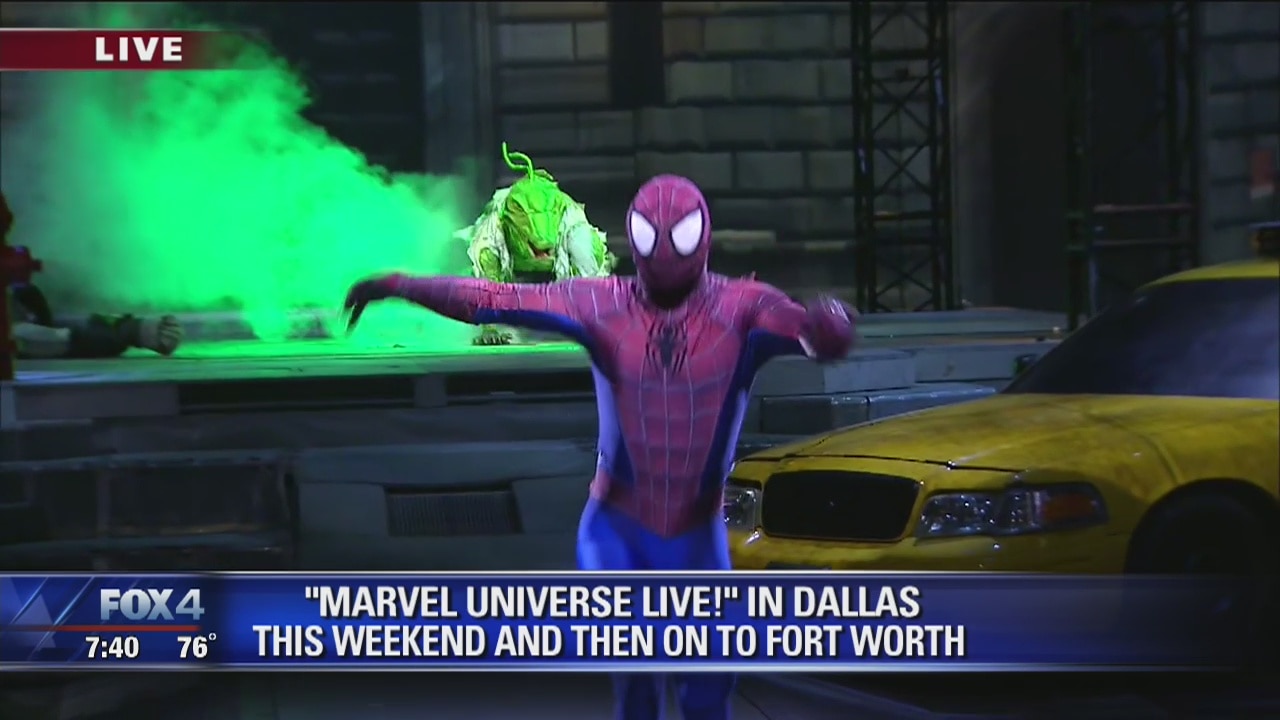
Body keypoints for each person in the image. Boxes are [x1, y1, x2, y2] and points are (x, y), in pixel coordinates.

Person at [344, 175, 854, 720]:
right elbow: (494, 299)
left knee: (707, 691)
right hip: (618, 530)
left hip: (694, 536)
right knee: (638, 685)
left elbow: (808, 330)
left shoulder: (742, 307)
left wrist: (827, 326)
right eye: (652, 236)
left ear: (700, 235)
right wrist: (401, 284)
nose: (663, 251)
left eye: (676, 236)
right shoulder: (605, 303)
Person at [458, 142, 615, 345]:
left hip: (562, 241)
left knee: (587, 254)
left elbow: (591, 271)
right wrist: (490, 327)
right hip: (509, 252)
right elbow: (485, 277)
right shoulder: (494, 230)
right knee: (479, 262)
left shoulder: (571, 219)